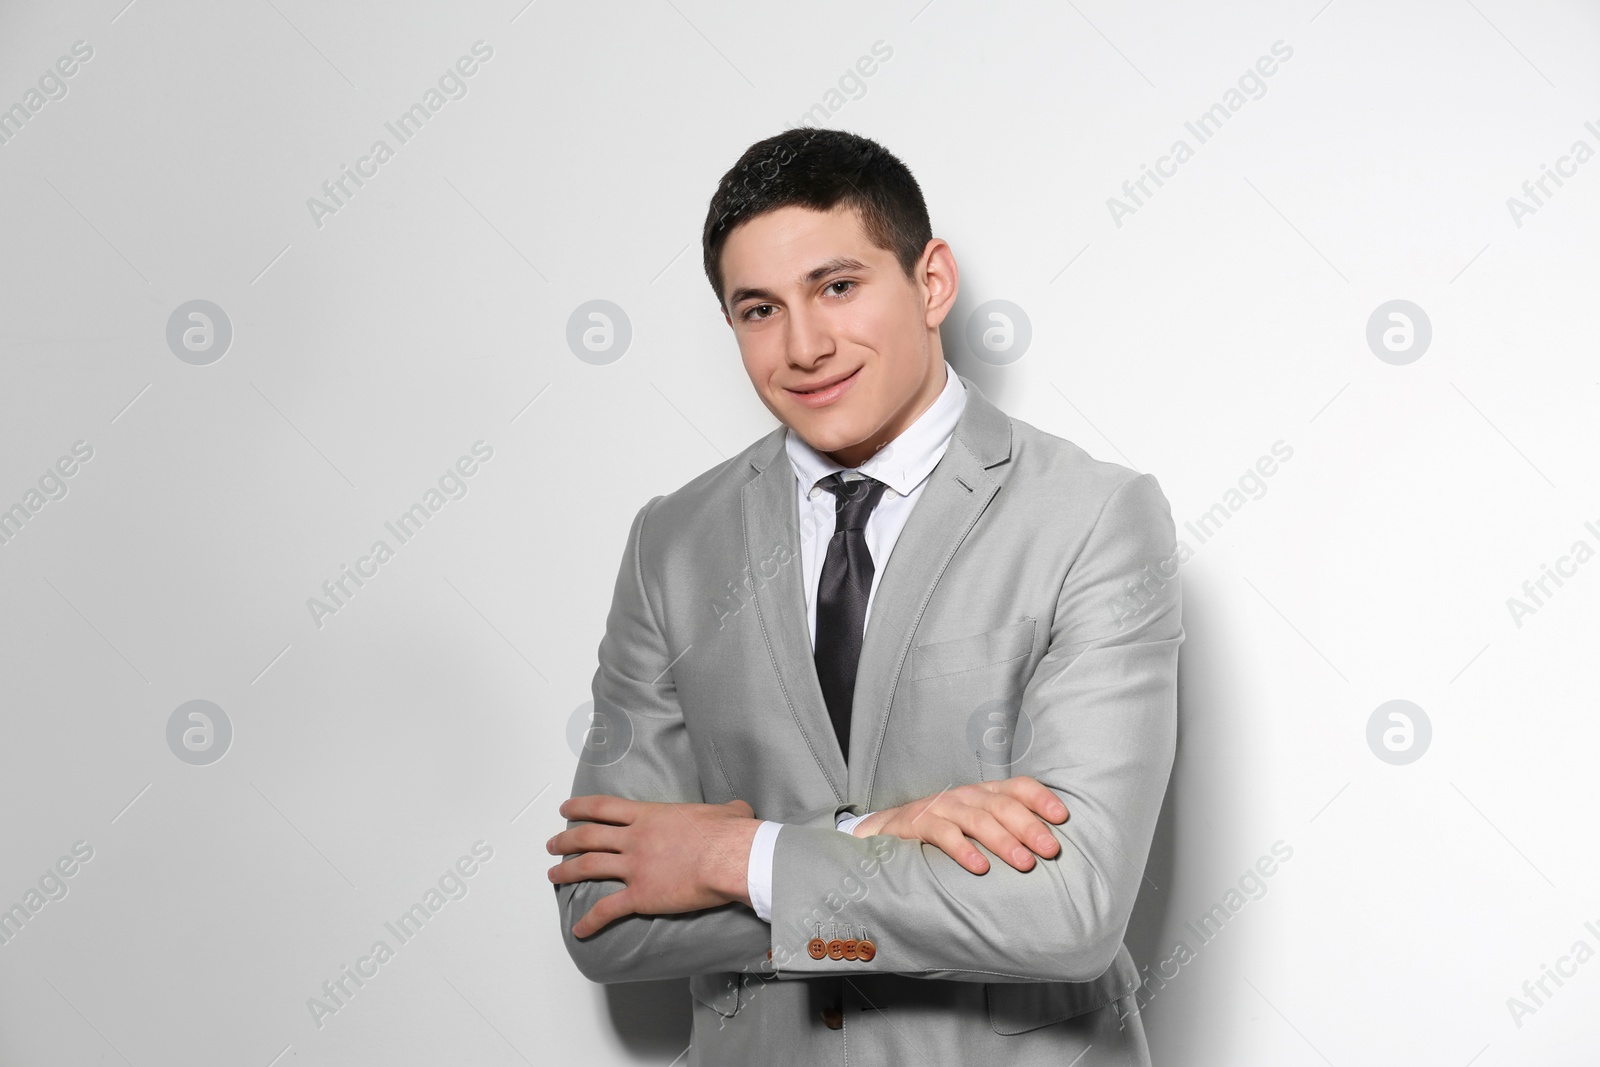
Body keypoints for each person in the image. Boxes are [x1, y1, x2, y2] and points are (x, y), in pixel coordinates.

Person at [548, 127, 1183, 1066]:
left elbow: (1069, 910)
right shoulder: (670, 543)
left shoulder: (1094, 516)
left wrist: (738, 857)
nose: (803, 346)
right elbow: (600, 914)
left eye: (837, 286)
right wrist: (871, 835)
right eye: (759, 309)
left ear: (930, 282)